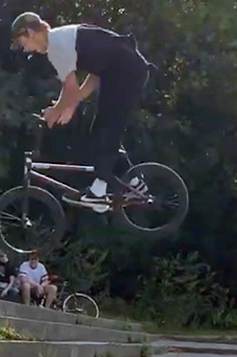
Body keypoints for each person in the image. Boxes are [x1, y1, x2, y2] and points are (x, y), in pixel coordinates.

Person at [11, 12, 152, 212]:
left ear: (31, 32)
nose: (24, 49)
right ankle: (135, 183)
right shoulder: (61, 39)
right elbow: (92, 75)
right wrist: (68, 106)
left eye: (21, 42)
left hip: (126, 72)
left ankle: (99, 192)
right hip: (120, 70)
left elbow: (71, 88)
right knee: (100, 132)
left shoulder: (55, 46)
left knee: (107, 131)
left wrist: (57, 110)